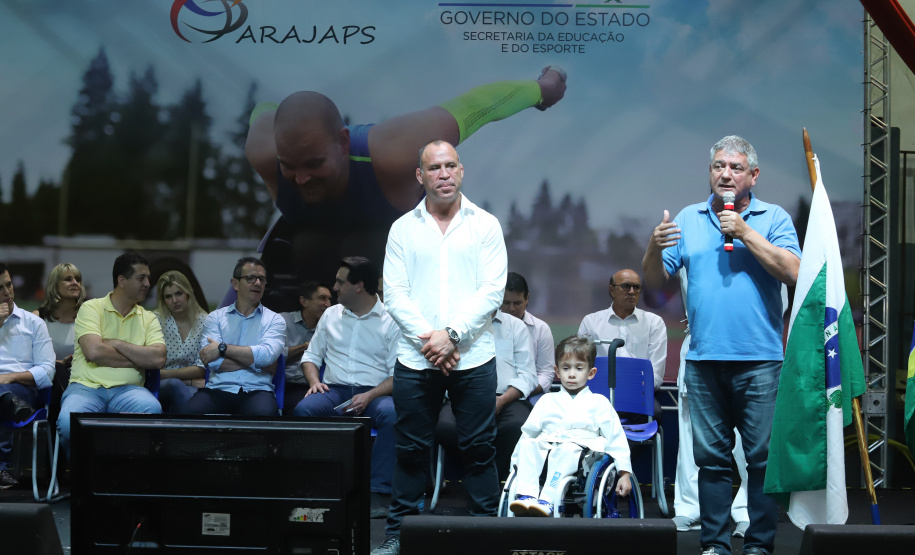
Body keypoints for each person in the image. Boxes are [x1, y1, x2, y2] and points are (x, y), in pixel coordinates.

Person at [244, 68, 566, 310]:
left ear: (343, 143)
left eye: (314, 164)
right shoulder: (264, 150)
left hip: (387, 243)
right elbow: (265, 109)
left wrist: (542, 89)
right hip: (311, 245)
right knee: (307, 247)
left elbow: (478, 106)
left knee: (365, 250)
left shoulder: (392, 153)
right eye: (290, 166)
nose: (300, 178)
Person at [642, 135, 800, 555]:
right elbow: (655, 286)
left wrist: (745, 232)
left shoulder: (775, 218)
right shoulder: (689, 218)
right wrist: (653, 249)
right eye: (718, 166)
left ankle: (760, 545)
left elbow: (795, 273)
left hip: (761, 361)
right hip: (704, 359)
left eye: (734, 167)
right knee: (710, 461)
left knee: (761, 459)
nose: (725, 174)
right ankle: (713, 544)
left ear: (753, 175)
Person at [375, 139, 507, 555]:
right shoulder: (402, 229)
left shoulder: (485, 224)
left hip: (473, 357)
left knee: (479, 451)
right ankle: (398, 535)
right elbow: (395, 295)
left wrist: (451, 336)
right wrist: (434, 342)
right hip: (417, 359)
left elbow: (492, 292)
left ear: (462, 171)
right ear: (421, 175)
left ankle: (485, 537)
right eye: (435, 168)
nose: (444, 174)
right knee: (411, 451)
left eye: (450, 166)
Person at [293, 257, 399, 518]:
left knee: (394, 414)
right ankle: (315, 486)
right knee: (305, 410)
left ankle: (378, 491)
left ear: (359, 285)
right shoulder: (331, 315)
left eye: (341, 282)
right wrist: (315, 382)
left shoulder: (391, 320)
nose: (335, 287)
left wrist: (370, 394)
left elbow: (399, 375)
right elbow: (310, 357)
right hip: (335, 391)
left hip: (376, 393)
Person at [508, 335, 631, 517]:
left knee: (566, 450)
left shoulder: (599, 402)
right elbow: (527, 434)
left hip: (582, 456)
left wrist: (624, 473)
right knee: (528, 444)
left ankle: (547, 500)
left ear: (591, 373)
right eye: (566, 368)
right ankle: (526, 495)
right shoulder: (546, 401)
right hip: (548, 448)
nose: (571, 374)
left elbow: (616, 438)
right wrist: (515, 468)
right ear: (557, 371)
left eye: (579, 368)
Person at [57, 253, 166, 455]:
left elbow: (158, 359)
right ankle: (83, 477)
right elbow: (94, 351)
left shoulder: (149, 318)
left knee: (152, 411)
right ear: (122, 280)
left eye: (148, 278)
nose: (148, 283)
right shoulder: (91, 308)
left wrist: (115, 343)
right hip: (85, 388)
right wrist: (138, 359)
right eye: (141, 278)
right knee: (67, 424)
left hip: (129, 390)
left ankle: (122, 474)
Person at [672, 269, 750, 535]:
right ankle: (691, 506)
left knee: (749, 440)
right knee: (694, 436)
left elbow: (778, 298)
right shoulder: (690, 238)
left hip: (749, 344)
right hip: (700, 344)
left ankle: (747, 511)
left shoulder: (760, 237)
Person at [437, 308, 537, 481]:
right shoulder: (454, 326)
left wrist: (503, 400)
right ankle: (478, 478)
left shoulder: (515, 326)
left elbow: (527, 374)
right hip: (461, 396)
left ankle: (490, 483)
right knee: (446, 427)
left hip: (508, 397)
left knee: (517, 425)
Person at [182, 257, 285, 416]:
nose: (257, 283)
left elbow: (266, 357)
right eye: (250, 278)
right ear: (235, 284)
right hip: (218, 389)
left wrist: (222, 348)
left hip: (257, 391)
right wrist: (255, 362)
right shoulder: (215, 317)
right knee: (186, 414)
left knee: (264, 417)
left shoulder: (275, 320)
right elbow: (212, 361)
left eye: (262, 279)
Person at [0, 262, 56, 489]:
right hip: (11, 398)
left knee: (6, 393)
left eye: (9, 285)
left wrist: (10, 378)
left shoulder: (34, 323)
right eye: (0, 288)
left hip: (23, 391)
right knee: (3, 400)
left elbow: (47, 370)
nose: (7, 293)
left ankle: (2, 467)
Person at [578, 268, 667, 391]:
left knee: (655, 410)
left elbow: (656, 373)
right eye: (625, 286)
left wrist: (633, 388)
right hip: (599, 392)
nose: (631, 291)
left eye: (636, 287)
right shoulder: (591, 322)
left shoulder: (654, 323)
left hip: (640, 392)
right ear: (612, 290)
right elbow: (581, 365)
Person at [33, 262, 85, 429]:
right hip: (48, 380)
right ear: (55, 286)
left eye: (77, 279)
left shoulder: (89, 316)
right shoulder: (38, 317)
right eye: (68, 279)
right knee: (58, 372)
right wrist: (57, 364)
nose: (75, 283)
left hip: (83, 377)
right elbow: (30, 356)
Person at [155, 271, 208, 413]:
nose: (175, 301)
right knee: (175, 385)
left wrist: (165, 373)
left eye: (179, 293)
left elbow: (201, 369)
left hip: (193, 386)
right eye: (168, 296)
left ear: (188, 293)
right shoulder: (155, 320)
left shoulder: (205, 322)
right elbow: (154, 372)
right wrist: (187, 380)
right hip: (159, 385)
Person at [279, 281, 332, 412]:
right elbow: (274, 356)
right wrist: (306, 347)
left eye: (329, 299)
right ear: (304, 301)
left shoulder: (331, 327)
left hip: (315, 385)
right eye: (322, 298)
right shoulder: (283, 321)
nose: (328, 304)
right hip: (285, 383)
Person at [501, 271, 555, 397]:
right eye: (506, 303)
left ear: (527, 299)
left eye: (517, 303)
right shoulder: (488, 328)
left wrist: (521, 391)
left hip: (530, 394)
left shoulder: (541, 329)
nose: (512, 308)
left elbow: (546, 372)